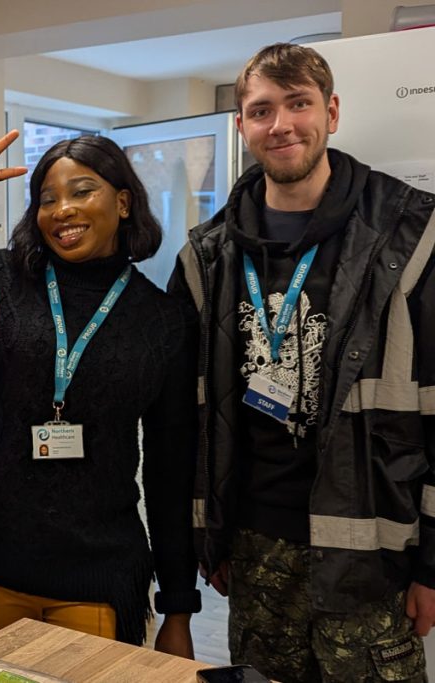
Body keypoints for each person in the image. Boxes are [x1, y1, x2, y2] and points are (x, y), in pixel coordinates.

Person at [169, 42, 435, 682]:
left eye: (299, 104)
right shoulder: (208, 255)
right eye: (262, 110)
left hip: (374, 552)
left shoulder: (407, 233)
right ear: (243, 127)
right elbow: (188, 417)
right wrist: (214, 533)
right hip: (255, 548)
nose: (281, 124)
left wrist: (432, 566)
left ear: (332, 112)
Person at [0, 134, 201, 654]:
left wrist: (178, 607)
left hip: (101, 574)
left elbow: (169, 470)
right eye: (47, 198)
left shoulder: (163, 321)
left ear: (124, 201)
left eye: (82, 191)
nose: (63, 209)